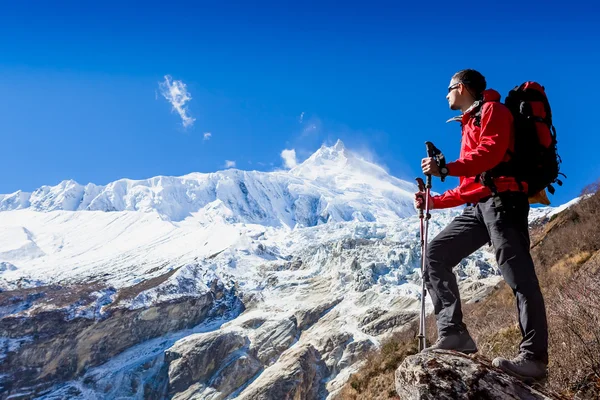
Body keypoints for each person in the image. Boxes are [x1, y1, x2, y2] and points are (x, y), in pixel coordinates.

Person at [414, 69, 549, 382]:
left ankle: (534, 358)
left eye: (448, 89)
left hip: (505, 201)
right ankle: (454, 334)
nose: (446, 95)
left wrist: (445, 167)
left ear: (460, 88)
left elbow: (490, 154)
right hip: (480, 206)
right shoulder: (469, 123)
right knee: (436, 253)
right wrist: (432, 200)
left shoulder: (493, 111)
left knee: (519, 277)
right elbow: (468, 186)